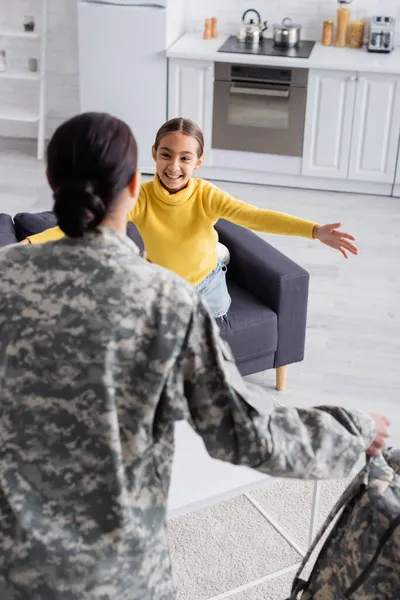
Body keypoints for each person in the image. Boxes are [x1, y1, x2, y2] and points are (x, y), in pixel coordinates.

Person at [0, 112, 390, 599]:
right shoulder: (167, 303)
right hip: (120, 575)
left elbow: (250, 215)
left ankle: (219, 259)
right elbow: (246, 433)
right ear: (133, 184)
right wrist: (354, 430)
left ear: (50, 179)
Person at [20, 117, 358, 319]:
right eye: (166, 155)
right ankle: (216, 252)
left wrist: (313, 230)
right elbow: (87, 224)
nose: (174, 166)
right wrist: (30, 243)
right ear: (154, 153)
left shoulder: (207, 196)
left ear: (198, 162)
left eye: (185, 158)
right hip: (161, 281)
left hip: (206, 282)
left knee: (210, 321)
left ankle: (218, 256)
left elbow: (256, 217)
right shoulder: (140, 196)